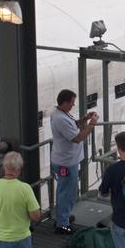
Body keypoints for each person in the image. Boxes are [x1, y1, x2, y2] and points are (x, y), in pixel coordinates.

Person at [50, 89, 98, 235]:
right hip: (66, 162)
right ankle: (62, 225)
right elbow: (77, 138)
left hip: (66, 160)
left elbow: (73, 125)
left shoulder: (60, 114)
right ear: (64, 103)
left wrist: (84, 119)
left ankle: (62, 217)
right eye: (71, 102)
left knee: (65, 191)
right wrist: (92, 125)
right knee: (66, 192)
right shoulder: (60, 119)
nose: (73, 105)